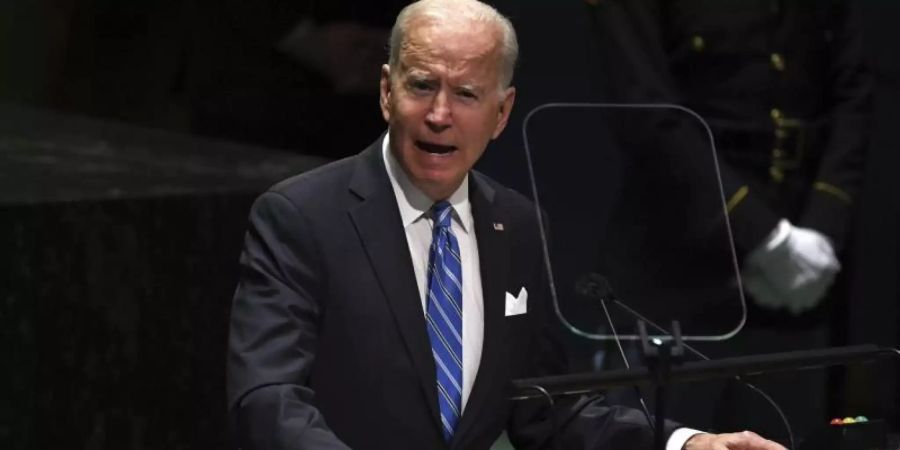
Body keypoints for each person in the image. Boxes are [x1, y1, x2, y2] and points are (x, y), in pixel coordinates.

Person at [227, 1, 787, 448]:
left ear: (501, 114)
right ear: (385, 91)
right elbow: (268, 397)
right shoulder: (301, 216)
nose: (440, 114)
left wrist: (686, 444)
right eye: (422, 85)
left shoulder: (516, 225)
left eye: (466, 94)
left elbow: (546, 411)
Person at [587, 0, 873, 438]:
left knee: (790, 433)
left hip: (803, 271)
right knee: (654, 433)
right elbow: (644, 105)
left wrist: (822, 229)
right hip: (677, 264)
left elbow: (855, 88)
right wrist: (763, 236)